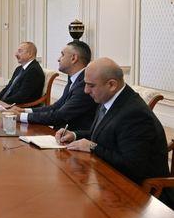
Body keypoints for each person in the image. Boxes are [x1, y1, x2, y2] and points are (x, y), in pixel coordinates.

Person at [56, 57, 174, 208]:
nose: (86, 90)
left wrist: (92, 147)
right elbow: (101, 134)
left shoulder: (135, 114)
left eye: (91, 85)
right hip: (110, 179)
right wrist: (74, 135)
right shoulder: (108, 98)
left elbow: (132, 166)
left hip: (142, 196)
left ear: (112, 85)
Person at [8, 41, 97, 130]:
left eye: (62, 55)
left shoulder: (84, 85)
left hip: (72, 136)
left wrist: (21, 116)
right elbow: (56, 106)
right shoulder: (74, 79)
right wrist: (24, 110)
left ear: (73, 58)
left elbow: (60, 116)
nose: (58, 59)